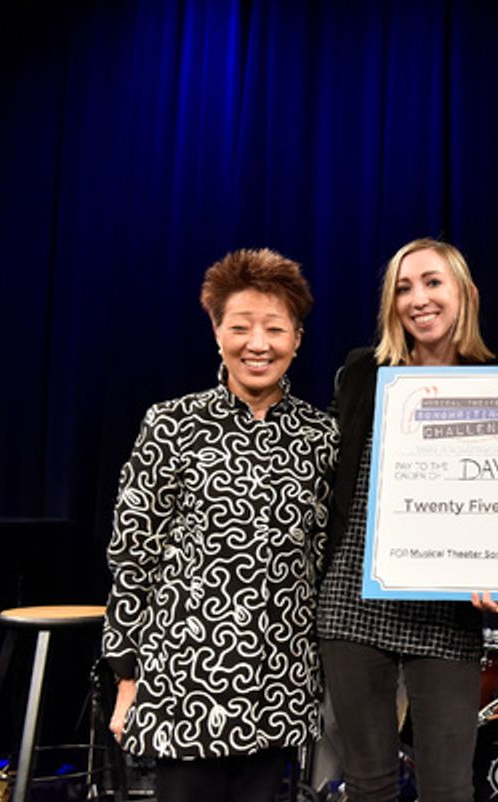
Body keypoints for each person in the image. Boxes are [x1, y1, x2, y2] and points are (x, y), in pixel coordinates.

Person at [103, 248, 338, 802]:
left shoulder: (323, 435)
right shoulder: (171, 423)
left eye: (275, 328)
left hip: (278, 677)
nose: (258, 344)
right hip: (184, 681)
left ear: (297, 338)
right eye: (241, 327)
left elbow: (326, 554)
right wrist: (126, 678)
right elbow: (132, 556)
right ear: (216, 331)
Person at [316, 238, 498, 802]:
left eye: (433, 282)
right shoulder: (363, 373)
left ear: (464, 293)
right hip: (355, 598)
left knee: (448, 788)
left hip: (446, 604)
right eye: (404, 288)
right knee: (369, 784)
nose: (419, 298)